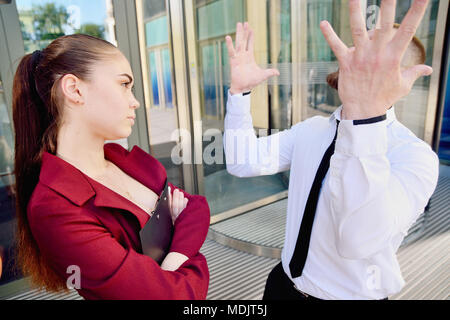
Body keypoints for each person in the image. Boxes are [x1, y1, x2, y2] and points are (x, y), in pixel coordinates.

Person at [223, 0, 439, 300]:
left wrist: (364, 116)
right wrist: (239, 94)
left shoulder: (415, 157)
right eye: (358, 46)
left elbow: (358, 239)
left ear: (403, 79)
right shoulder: (312, 129)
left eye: (373, 56)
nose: (356, 56)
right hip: (283, 286)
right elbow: (242, 161)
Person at [12, 34, 210, 299]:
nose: (135, 101)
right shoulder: (54, 208)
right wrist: (188, 255)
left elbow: (196, 207)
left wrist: (171, 263)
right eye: (124, 84)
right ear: (74, 89)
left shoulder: (121, 158)